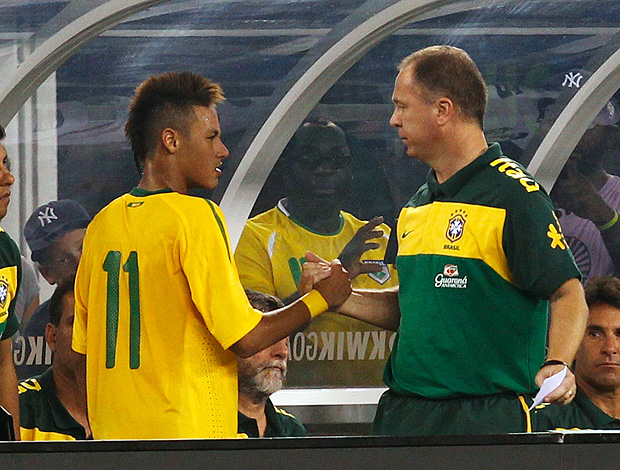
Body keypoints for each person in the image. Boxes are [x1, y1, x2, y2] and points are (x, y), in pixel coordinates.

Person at [307, 45, 589, 436]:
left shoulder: (513, 196)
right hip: (405, 414)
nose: (393, 120)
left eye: (402, 106)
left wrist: (558, 362)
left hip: (485, 418)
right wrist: (342, 298)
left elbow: (568, 293)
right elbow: (418, 307)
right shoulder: (417, 205)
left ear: (442, 110)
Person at [72, 71, 351, 440]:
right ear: (170, 140)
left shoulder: (102, 224)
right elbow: (246, 338)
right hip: (187, 440)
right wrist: (319, 299)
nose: (223, 150)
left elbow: (80, 353)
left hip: (113, 442)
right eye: (211, 137)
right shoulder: (197, 217)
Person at [235, 120, 398, 387]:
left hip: (378, 399)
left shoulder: (380, 238)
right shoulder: (255, 237)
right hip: (300, 404)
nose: (324, 171)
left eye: (337, 161)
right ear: (287, 170)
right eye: (310, 160)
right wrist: (335, 276)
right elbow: (254, 336)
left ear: (351, 173)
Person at [541, 70, 620, 283]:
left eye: (586, 124)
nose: (570, 134)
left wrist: (605, 217)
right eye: (558, 121)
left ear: (611, 139)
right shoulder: (526, 190)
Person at [14, 199, 90, 380]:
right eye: (63, 259)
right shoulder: (38, 329)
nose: (79, 262)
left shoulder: (132, 301)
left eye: (83, 248)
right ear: (47, 274)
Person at [534, 276, 620, 430]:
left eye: (619, 334)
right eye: (595, 334)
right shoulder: (542, 419)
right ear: (573, 343)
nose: (610, 348)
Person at [18, 279, 89, 440]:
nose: (87, 334)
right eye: (76, 323)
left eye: (96, 323)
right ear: (52, 336)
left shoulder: (129, 408)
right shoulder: (19, 406)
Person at [237, 290, 306, 438]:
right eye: (269, 341)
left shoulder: (292, 431)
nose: (283, 352)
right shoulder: (203, 426)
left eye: (286, 343)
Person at [0, 124, 21, 439]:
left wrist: (14, 451)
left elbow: (2, 362)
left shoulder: (6, 253)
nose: (9, 177)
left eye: (5, 164)